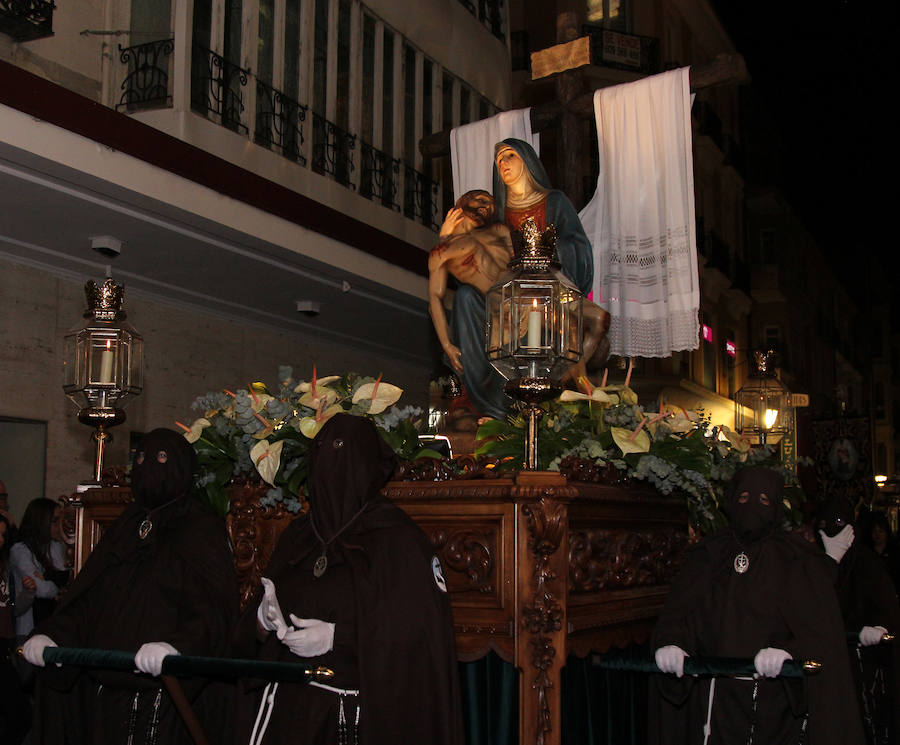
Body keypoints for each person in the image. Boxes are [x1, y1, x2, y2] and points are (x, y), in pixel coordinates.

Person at [234, 413, 463, 745]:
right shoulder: (299, 536)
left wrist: (337, 637)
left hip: (356, 717)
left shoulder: (399, 540)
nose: (331, 468)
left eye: (341, 453)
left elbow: (419, 636)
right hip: (287, 713)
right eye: (322, 452)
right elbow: (251, 624)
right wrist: (263, 620)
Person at [22, 428, 239, 745]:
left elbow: (212, 611)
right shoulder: (125, 525)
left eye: (162, 458)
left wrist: (177, 648)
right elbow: (90, 600)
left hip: (162, 700)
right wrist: (53, 635)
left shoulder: (200, 527)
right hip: (103, 696)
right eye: (140, 458)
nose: (148, 465)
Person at [651, 466, 865, 745]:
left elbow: (819, 632)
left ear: (775, 506)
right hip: (717, 704)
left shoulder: (794, 559)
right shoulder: (709, 555)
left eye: (764, 500)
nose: (751, 507)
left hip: (776, 707)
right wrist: (673, 643)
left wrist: (789, 652)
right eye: (742, 498)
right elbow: (685, 614)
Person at [440, 146, 606, 419]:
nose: (502, 163)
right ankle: (477, 398)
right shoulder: (496, 212)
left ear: (527, 161)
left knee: (571, 315)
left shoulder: (554, 202)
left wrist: (546, 251)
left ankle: (557, 389)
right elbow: (468, 257)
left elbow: (578, 247)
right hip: (503, 296)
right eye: (498, 160)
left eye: (509, 155)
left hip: (548, 293)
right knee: (466, 298)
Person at [817, 497, 900, 745]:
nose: (831, 529)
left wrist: (875, 630)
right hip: (831, 668)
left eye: (840, 523)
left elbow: (886, 611)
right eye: (823, 523)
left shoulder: (867, 564)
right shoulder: (815, 565)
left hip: (867, 670)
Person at [10, 498, 67, 638]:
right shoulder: (20, 550)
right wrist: (57, 586)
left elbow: (64, 578)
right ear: (41, 521)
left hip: (52, 625)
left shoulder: (55, 547)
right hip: (28, 628)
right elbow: (41, 589)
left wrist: (50, 578)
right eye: (54, 521)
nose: (59, 526)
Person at [0, 512, 33, 744]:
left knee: (19, 715)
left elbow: (11, 609)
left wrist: (29, 593)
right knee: (17, 714)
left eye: (2, 535)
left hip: (4, 647)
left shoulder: (5, 571)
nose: (0, 540)